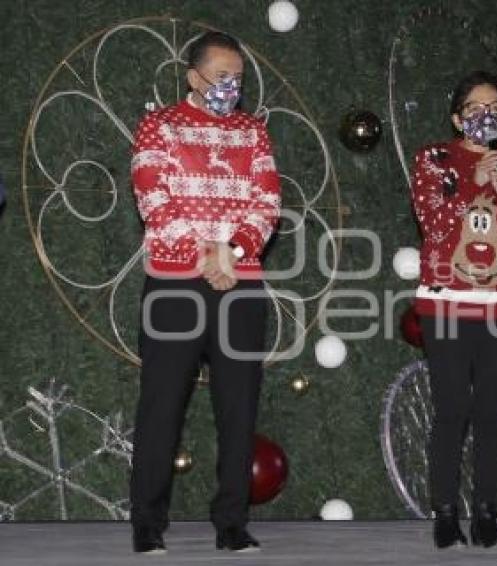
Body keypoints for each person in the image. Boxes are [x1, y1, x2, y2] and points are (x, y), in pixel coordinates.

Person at [129, 31, 280, 554]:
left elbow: (266, 202)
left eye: (238, 77)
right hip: (175, 286)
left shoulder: (254, 132)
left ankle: (231, 524)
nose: (230, 86)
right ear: (193, 77)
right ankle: (147, 522)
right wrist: (206, 255)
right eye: (221, 75)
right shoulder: (158, 126)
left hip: (239, 287)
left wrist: (232, 254)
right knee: (161, 406)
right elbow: (154, 197)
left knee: (238, 409)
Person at [409, 70, 497, 549]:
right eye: (478, 108)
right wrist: (471, 181)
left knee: (490, 412)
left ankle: (486, 512)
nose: (489, 116)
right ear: (457, 117)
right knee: (452, 408)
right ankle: (445, 511)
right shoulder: (433, 159)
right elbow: (432, 222)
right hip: (446, 299)